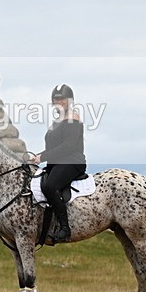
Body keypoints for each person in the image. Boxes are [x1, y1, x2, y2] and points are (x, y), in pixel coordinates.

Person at [29, 84, 86, 242]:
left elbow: (68, 146)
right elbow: (54, 147)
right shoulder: (56, 122)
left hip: (72, 162)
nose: (58, 102)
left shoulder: (72, 118)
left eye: (62, 99)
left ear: (69, 101)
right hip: (57, 163)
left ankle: (65, 229)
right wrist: (38, 156)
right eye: (56, 99)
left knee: (50, 186)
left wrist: (43, 157)